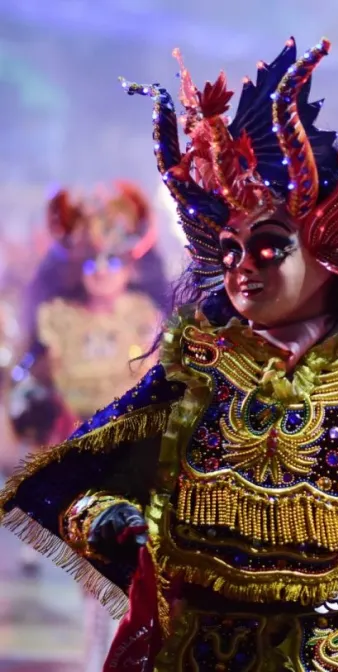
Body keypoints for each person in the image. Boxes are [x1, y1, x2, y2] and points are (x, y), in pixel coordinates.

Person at [0, 37, 338, 671]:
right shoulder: (198, 371)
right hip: (199, 651)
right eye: (231, 249)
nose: (242, 268)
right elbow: (82, 486)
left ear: (334, 249)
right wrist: (115, 523)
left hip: (329, 656)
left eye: (268, 246)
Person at [6, 182, 168, 672]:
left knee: (133, 567)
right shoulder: (57, 319)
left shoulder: (145, 318)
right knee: (92, 565)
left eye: (114, 262)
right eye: (93, 262)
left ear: (133, 266)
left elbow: (163, 385)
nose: (102, 273)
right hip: (74, 451)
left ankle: (117, 652)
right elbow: (26, 383)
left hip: (131, 454)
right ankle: (97, 654)